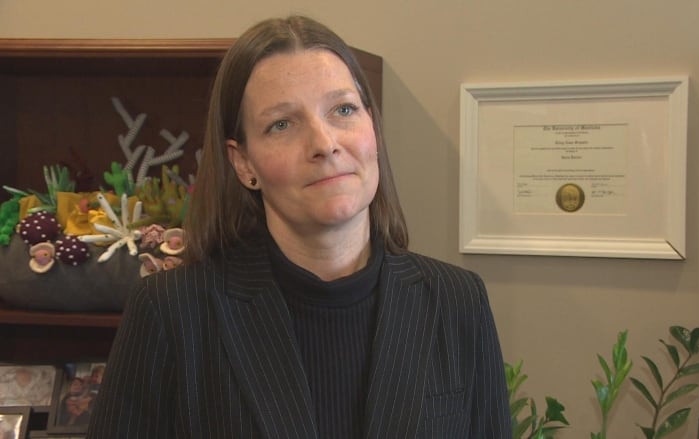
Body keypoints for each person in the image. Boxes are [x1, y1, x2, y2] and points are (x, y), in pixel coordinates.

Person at [87, 15, 510, 438]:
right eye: (282, 124)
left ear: (373, 128)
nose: (325, 143)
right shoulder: (170, 313)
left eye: (343, 109)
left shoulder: (457, 302)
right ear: (244, 163)